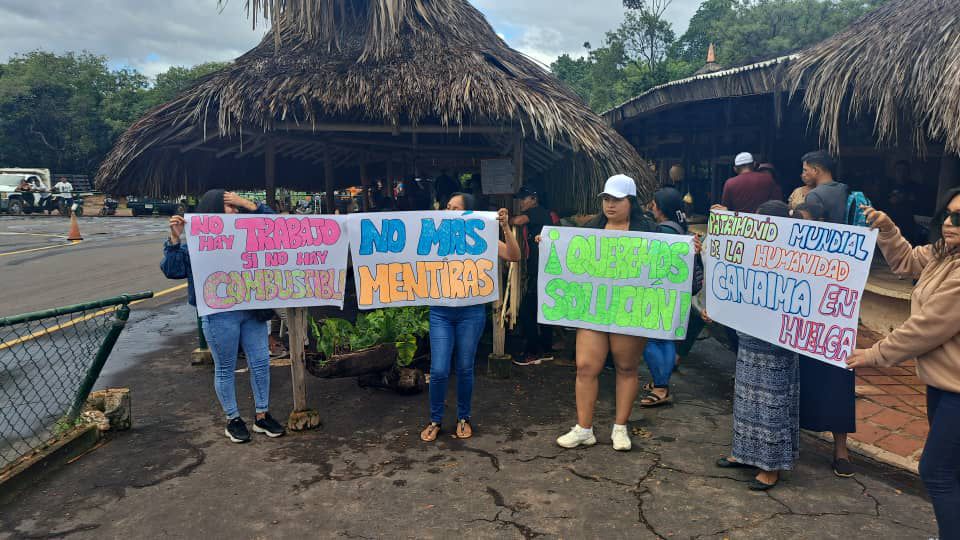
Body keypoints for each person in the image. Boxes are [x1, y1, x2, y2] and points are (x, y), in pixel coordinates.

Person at [850, 192, 960, 539]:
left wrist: (874, 355)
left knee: (936, 471)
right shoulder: (945, 254)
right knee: (952, 471)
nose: (947, 222)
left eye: (957, 219)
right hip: (942, 383)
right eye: (946, 214)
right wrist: (887, 229)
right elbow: (908, 262)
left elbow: (925, 328)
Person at [161, 189, 286, 444]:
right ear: (213, 212)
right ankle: (233, 419)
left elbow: (277, 225)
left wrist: (249, 204)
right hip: (219, 314)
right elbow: (172, 270)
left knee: (261, 362)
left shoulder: (249, 236)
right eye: (230, 207)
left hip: (253, 311)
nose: (236, 211)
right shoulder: (197, 245)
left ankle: (262, 415)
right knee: (226, 367)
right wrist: (174, 239)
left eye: (237, 207)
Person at [556, 175, 657, 452]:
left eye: (617, 199)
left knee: (626, 367)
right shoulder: (590, 229)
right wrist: (551, 244)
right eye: (606, 199)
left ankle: (620, 428)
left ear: (631, 202)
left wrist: (691, 249)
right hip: (594, 308)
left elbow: (671, 262)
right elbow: (569, 258)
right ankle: (584, 428)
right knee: (586, 367)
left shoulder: (649, 231)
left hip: (629, 309)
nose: (610, 205)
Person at [712, 200, 799, 491]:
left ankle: (770, 466)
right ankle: (745, 453)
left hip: (777, 340)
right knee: (746, 399)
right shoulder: (751, 249)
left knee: (772, 402)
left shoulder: (794, 256)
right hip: (749, 337)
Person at [420, 193, 521, 442]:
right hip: (440, 311)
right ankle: (435, 420)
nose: (448, 211)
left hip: (471, 311)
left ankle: (463, 418)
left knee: (465, 367)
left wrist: (505, 227)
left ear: (469, 214)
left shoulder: (481, 239)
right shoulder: (434, 236)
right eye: (447, 206)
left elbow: (514, 255)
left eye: (456, 208)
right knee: (439, 369)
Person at [798, 150, 857, 478]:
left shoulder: (815, 196)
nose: (803, 174)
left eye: (806, 169)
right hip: (841, 297)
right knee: (839, 366)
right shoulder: (851, 193)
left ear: (817, 170)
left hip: (815, 292)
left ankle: (793, 434)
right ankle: (841, 450)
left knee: (807, 367)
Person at [640, 187, 689, 407]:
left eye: (653, 203)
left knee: (651, 339)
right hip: (673, 291)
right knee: (666, 337)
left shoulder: (663, 231)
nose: (651, 206)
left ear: (659, 207)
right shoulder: (679, 228)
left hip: (659, 290)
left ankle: (661, 387)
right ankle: (660, 382)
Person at [510, 186, 555, 366]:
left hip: (541, 270)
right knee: (542, 310)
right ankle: (545, 349)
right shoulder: (542, 214)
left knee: (526, 311)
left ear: (534, 199)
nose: (521, 202)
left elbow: (518, 221)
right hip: (543, 269)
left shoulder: (538, 212)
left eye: (524, 198)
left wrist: (505, 219)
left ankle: (533, 352)